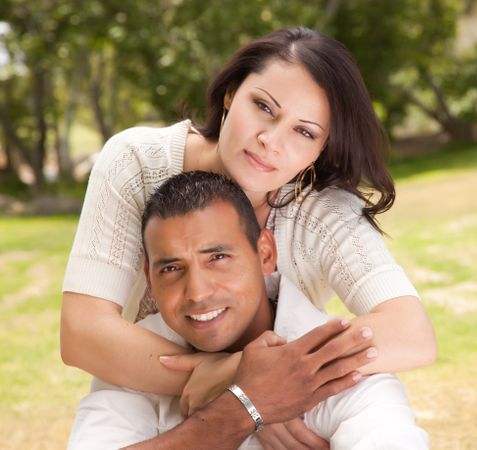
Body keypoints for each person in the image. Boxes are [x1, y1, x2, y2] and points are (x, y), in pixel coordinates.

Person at [60, 26, 435, 446]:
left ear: (321, 149)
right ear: (229, 94)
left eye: (305, 131)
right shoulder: (135, 163)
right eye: (263, 107)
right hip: (145, 390)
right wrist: (240, 387)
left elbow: (410, 333)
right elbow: (82, 333)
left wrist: (266, 383)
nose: (270, 141)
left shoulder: (323, 212)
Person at [67, 171, 428, 449]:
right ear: (149, 278)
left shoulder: (346, 372)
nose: (197, 292)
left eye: (218, 258)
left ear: (265, 254)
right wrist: (244, 407)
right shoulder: (134, 361)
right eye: (172, 268)